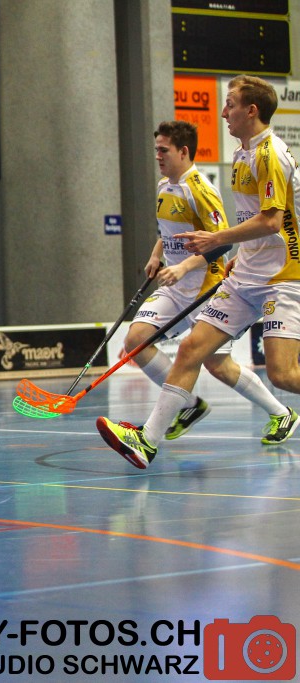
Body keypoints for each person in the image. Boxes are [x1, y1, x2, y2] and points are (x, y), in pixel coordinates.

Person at [98, 75, 300, 468]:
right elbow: (254, 220)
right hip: (245, 276)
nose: (223, 112)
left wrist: (217, 240)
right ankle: (146, 442)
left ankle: (280, 411)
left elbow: (272, 221)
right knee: (192, 349)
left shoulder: (269, 154)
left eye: (230, 104)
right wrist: (243, 252)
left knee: (282, 374)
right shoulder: (241, 154)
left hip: (282, 278)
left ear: (251, 111)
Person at [119, 120, 289, 443]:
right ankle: (190, 404)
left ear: (183, 151)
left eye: (164, 150)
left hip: (204, 286)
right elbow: (168, 231)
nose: (158, 156)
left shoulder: (201, 190)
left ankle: (281, 412)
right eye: (156, 149)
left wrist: (184, 267)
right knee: (135, 340)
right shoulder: (163, 186)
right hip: (174, 285)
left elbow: (221, 243)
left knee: (217, 364)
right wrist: (156, 254)